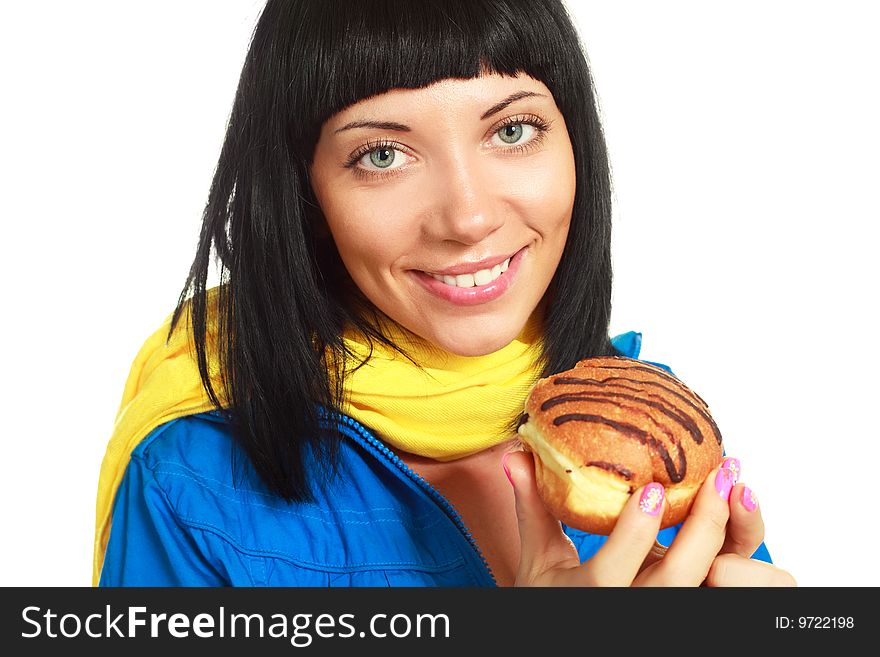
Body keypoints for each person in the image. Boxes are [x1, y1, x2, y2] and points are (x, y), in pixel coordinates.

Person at [93, 0, 794, 587]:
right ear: (305, 194)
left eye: (512, 130)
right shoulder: (188, 483)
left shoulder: (654, 435)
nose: (468, 218)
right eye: (382, 154)